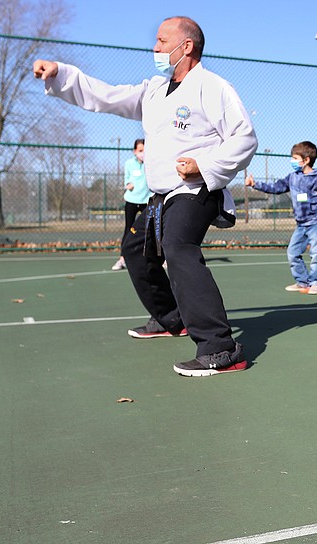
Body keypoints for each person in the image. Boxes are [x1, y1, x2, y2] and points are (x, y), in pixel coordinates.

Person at [34, 16, 258, 377]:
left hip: (196, 189)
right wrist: (60, 73)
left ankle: (220, 348)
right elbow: (105, 96)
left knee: (179, 247)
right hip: (161, 196)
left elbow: (244, 137)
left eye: (161, 40)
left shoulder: (213, 87)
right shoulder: (154, 90)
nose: (154, 47)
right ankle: (171, 319)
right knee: (135, 249)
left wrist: (202, 165)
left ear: (186, 46)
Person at [244, 142, 317, 294]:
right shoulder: (292, 177)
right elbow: (275, 188)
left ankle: (315, 283)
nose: (292, 161)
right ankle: (302, 282)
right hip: (301, 224)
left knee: (316, 254)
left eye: (295, 158)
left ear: (306, 160)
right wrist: (255, 184)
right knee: (292, 252)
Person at [112, 138, 152, 271]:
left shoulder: (151, 163)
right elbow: (127, 180)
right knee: (128, 229)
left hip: (147, 201)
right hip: (131, 201)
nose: (143, 153)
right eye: (140, 150)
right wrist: (128, 185)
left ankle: (156, 258)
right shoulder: (129, 163)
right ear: (135, 151)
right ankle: (122, 259)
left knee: (151, 230)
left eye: (145, 150)